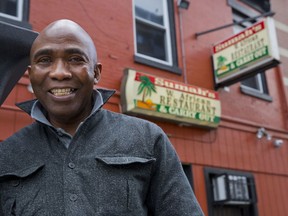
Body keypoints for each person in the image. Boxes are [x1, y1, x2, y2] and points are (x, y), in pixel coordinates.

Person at [0, 19, 204, 215]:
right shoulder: (6, 155)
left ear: (96, 73)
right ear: (30, 73)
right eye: (44, 61)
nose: (59, 73)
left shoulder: (148, 138)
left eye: (75, 59)